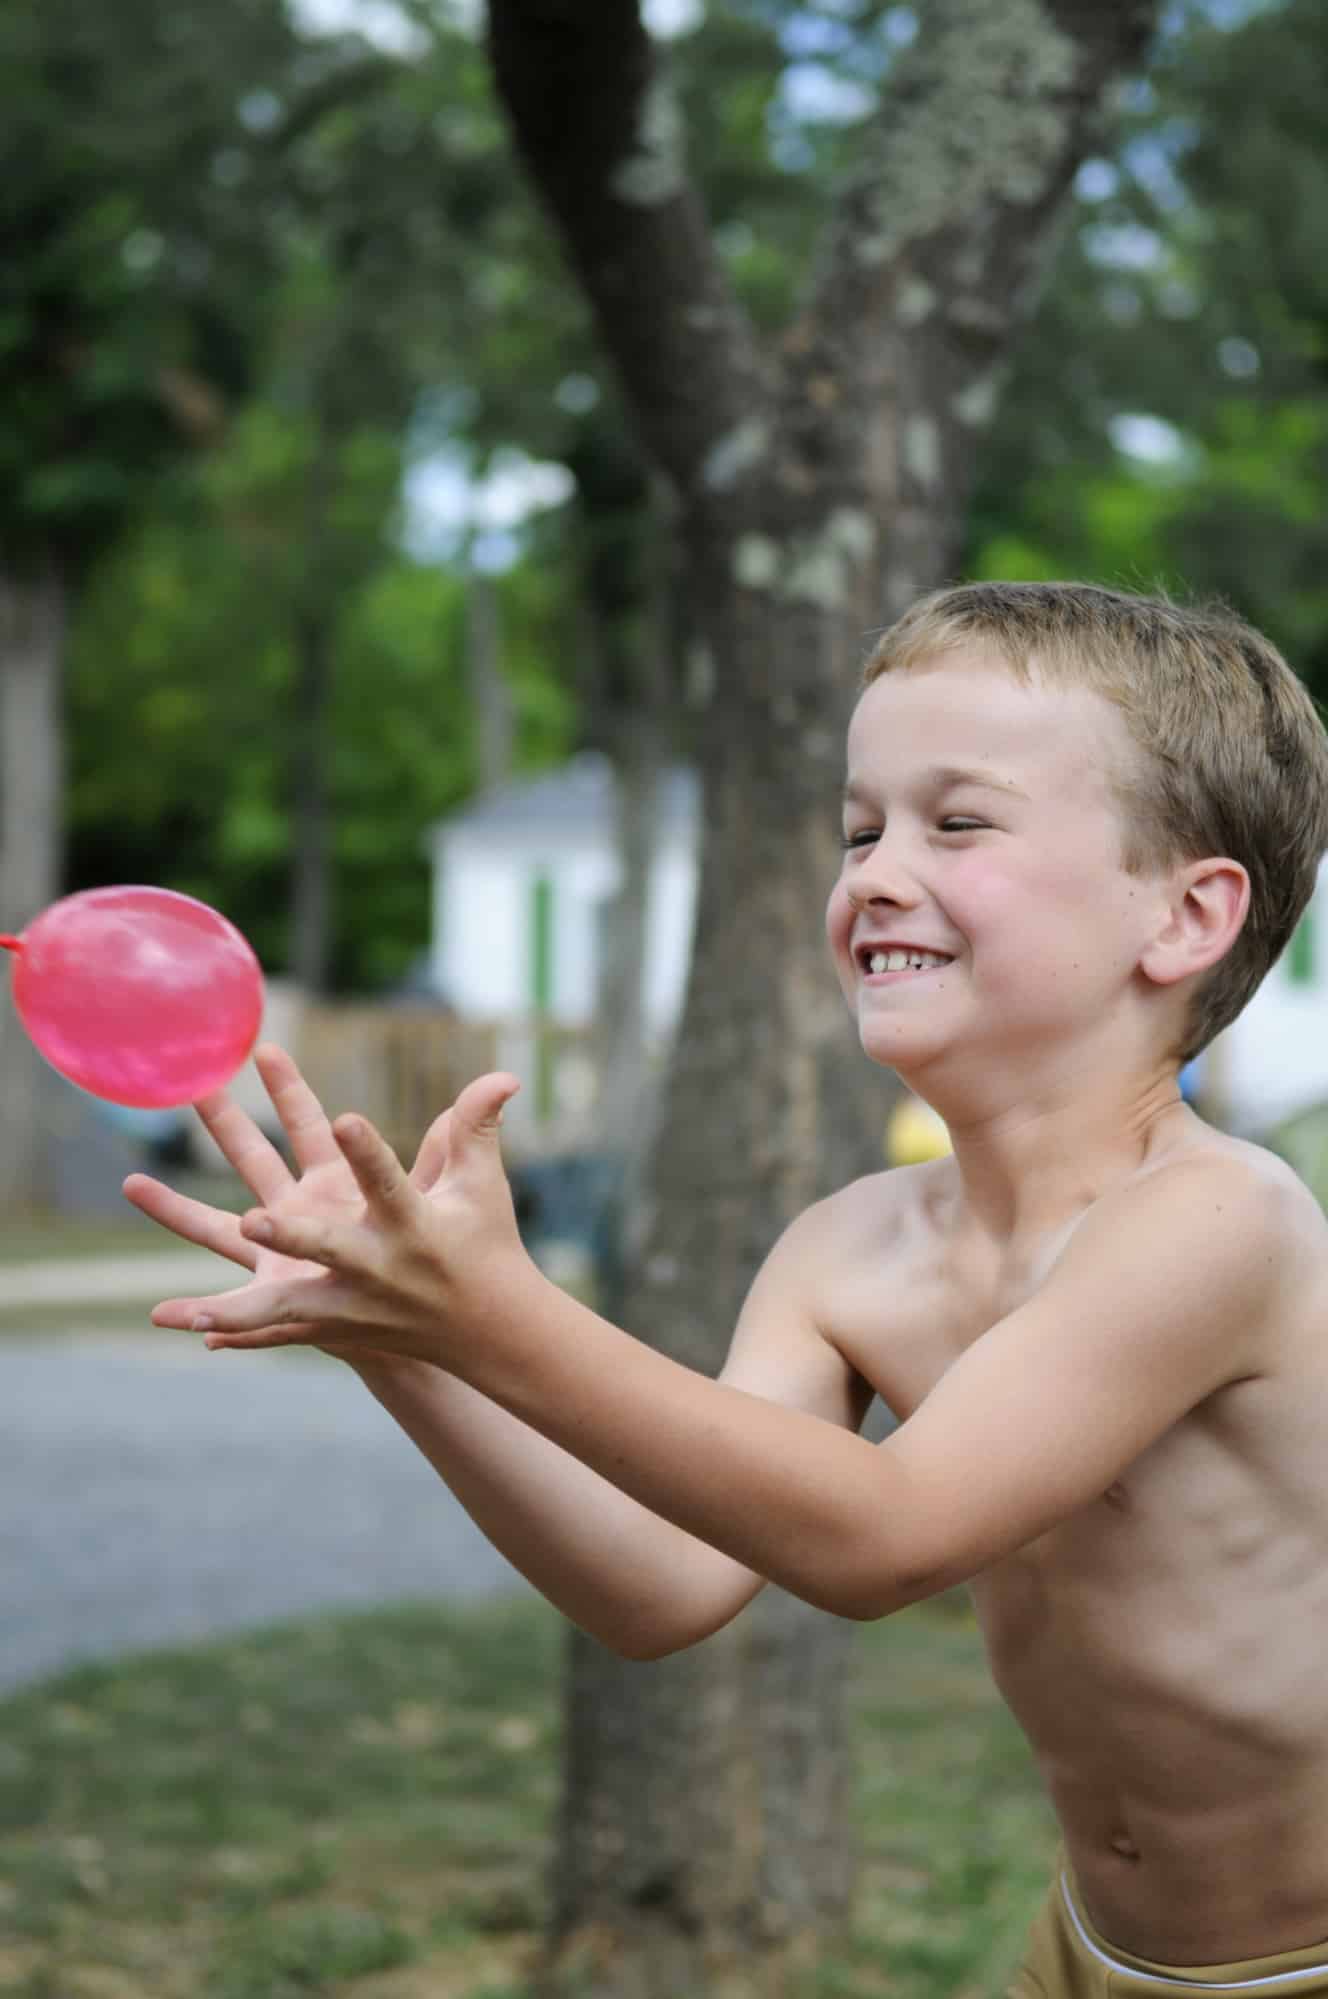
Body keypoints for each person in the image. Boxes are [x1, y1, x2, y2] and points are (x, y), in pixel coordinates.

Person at [126, 581, 1328, 1997]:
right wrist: (403, 1339)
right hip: (1098, 1958)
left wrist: (494, 1310)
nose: (876, 871)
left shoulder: (1216, 1221)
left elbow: (889, 1537)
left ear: (1186, 916)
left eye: (959, 822)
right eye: (859, 827)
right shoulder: (851, 1248)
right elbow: (660, 1583)